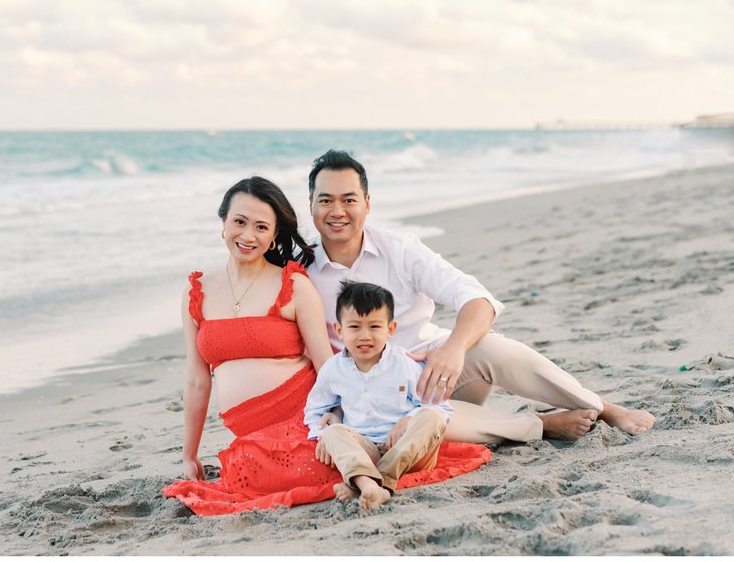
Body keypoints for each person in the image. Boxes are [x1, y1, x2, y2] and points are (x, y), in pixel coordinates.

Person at [162, 176, 491, 516]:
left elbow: (327, 363)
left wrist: (337, 419)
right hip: (251, 433)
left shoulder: (292, 284)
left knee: (320, 461)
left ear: (274, 234)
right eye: (239, 222)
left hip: (303, 416)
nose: (248, 236)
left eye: (261, 227)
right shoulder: (197, 291)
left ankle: (377, 464)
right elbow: (197, 380)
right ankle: (376, 464)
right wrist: (190, 455)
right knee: (247, 471)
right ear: (223, 223)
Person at [305, 149, 656, 444]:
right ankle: (543, 426)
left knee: (492, 347)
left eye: (348, 199)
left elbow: (477, 299)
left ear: (366, 204)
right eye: (326, 200)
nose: (337, 211)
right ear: (311, 206)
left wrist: (454, 349)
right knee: (427, 424)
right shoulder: (301, 271)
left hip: (436, 373)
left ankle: (605, 408)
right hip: (374, 395)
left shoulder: (399, 249)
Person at [304, 281, 453, 510]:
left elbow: (441, 407)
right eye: (354, 327)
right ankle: (370, 485)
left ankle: (365, 485)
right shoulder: (333, 369)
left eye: (374, 327)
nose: (365, 336)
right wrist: (322, 433)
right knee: (332, 432)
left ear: (390, 329)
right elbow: (314, 411)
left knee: (432, 417)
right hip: (365, 452)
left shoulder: (404, 363)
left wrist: (410, 418)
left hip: (408, 451)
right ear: (339, 330)